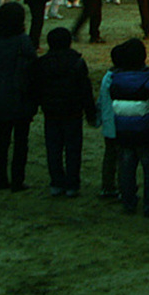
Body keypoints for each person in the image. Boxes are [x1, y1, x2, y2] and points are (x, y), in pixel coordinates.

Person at [100, 38, 149, 214]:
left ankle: (128, 201)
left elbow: (112, 100)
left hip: (124, 131)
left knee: (126, 168)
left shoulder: (115, 79)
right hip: (147, 130)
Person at [31, 27, 96, 197]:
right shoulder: (77, 62)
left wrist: (36, 105)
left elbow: (36, 88)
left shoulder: (42, 63)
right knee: (73, 149)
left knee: (53, 148)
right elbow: (85, 90)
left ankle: (57, 182)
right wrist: (90, 112)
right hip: (72, 111)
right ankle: (72, 183)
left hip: (51, 111)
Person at [0, 2, 36, 192]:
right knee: (20, 141)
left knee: (2, 139)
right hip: (19, 96)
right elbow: (31, 67)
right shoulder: (22, 40)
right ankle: (17, 180)